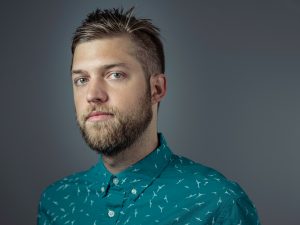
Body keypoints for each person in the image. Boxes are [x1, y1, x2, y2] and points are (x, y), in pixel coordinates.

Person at [38, 7, 261, 225]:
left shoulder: (218, 203)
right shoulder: (56, 201)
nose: (93, 95)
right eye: (82, 80)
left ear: (156, 89)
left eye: (115, 74)